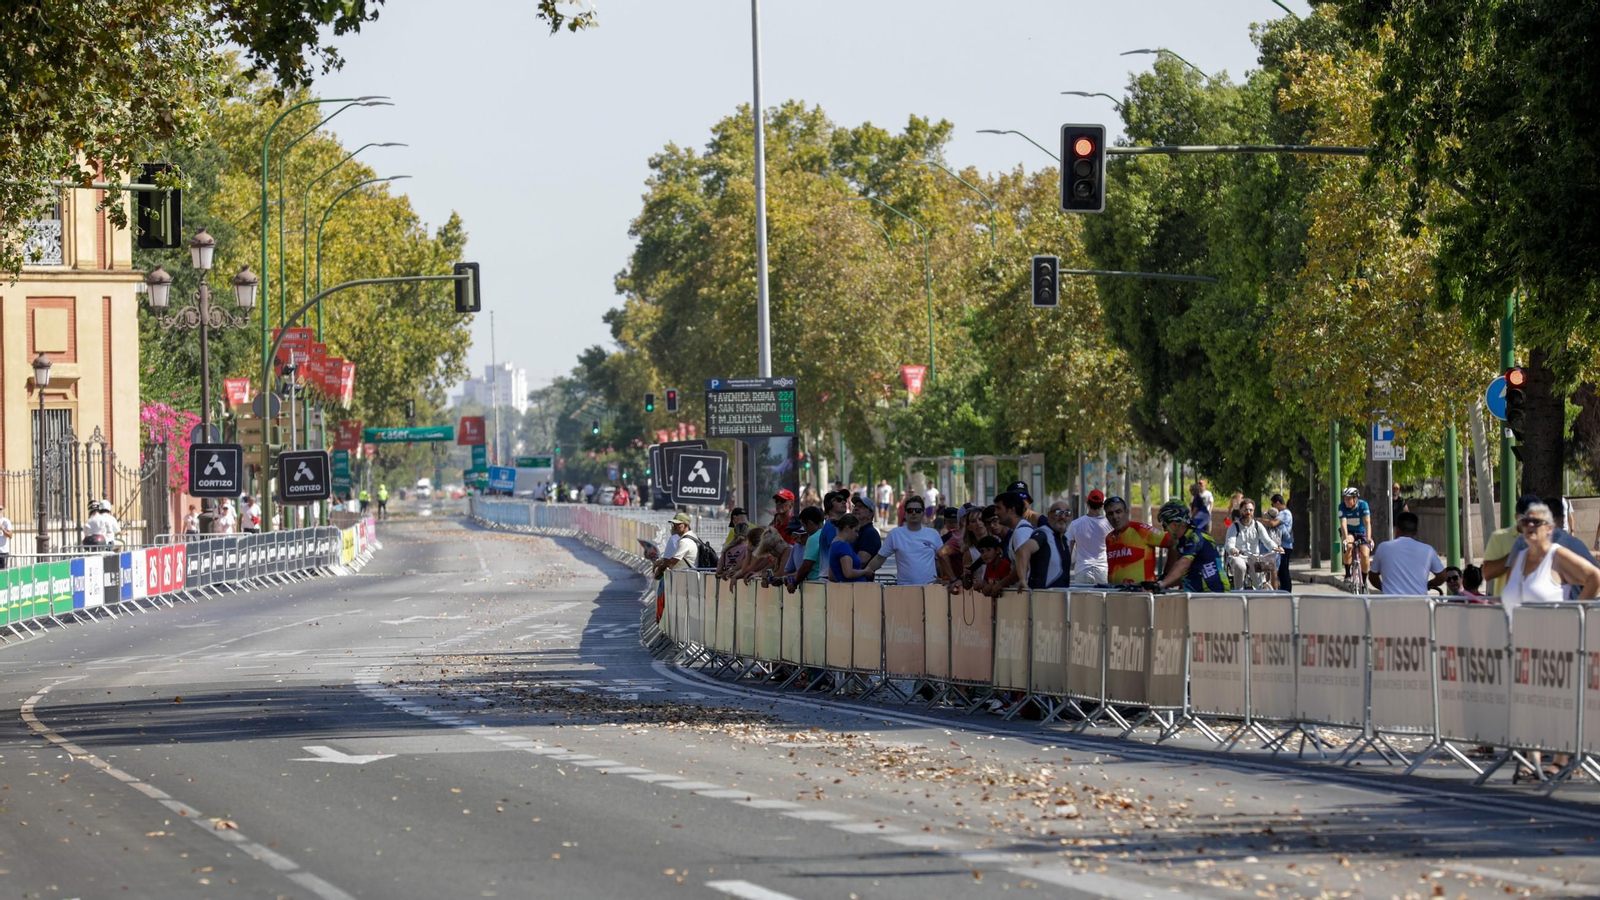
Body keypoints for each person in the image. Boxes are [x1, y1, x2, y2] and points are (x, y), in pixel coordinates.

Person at [1485, 495, 1599, 600]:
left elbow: (1595, 578)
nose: (1530, 525)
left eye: (1536, 522)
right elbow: (1509, 597)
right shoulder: (1518, 557)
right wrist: (1490, 604)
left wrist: (1576, 609)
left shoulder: (1559, 554)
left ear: (1550, 527)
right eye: (1526, 521)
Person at [862, 494, 944, 585]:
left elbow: (942, 560)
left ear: (923, 513)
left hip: (930, 588)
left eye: (918, 510)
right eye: (910, 510)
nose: (914, 513)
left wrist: (944, 578)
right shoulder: (895, 534)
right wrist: (864, 572)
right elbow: (879, 559)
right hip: (904, 589)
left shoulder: (933, 534)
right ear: (904, 514)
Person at [1154, 500, 1229, 592]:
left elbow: (1183, 564)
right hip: (1199, 593)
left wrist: (1160, 585)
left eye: (1164, 525)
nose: (1165, 530)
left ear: (1175, 524)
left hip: (1214, 592)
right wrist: (1156, 583)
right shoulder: (1183, 541)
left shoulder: (1196, 537)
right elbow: (1178, 576)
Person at [1368, 512, 1446, 596]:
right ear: (1415, 532)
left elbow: (1372, 577)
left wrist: (1385, 588)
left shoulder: (1383, 547)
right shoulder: (1428, 550)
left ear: (1397, 529)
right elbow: (1442, 577)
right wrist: (1428, 585)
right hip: (1419, 601)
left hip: (1390, 601)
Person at [1105, 496, 1171, 584]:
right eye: (1110, 513)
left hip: (1143, 590)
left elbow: (1174, 543)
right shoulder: (1109, 538)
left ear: (1126, 512)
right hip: (1116, 590)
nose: (1115, 517)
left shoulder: (1140, 529)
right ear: (1106, 517)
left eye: (1118, 512)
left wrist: (1167, 574)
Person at [989, 491, 1039, 593]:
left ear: (1011, 510)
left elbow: (1024, 565)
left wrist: (999, 585)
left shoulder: (1021, 532)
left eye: (999, 508)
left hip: (1027, 593)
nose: (995, 513)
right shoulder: (1019, 531)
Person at [1225, 499, 1280, 589]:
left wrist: (1275, 548)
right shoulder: (1234, 527)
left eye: (1251, 510)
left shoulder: (1258, 526)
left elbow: (1267, 540)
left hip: (1254, 557)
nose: (1248, 512)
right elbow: (1229, 542)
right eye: (1245, 510)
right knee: (1240, 566)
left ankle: (1261, 591)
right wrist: (1232, 549)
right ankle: (1239, 592)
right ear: (1241, 511)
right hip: (1238, 556)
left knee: (1260, 576)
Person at [1066, 489, 1112, 583]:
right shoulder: (1109, 525)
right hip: (1103, 570)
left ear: (1087, 503)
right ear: (1101, 505)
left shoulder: (1075, 524)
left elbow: (1068, 550)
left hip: (1082, 569)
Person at [787, 506, 834, 590]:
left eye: (804, 526)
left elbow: (806, 567)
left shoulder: (813, 538)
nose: (805, 530)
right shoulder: (829, 533)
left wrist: (794, 583)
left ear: (809, 523)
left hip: (816, 584)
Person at [1338, 488, 1373, 581]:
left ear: (1355, 499)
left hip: (1361, 532)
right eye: (1345, 498)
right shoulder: (1342, 506)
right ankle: (1348, 574)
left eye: (1348, 499)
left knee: (1365, 555)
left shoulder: (1363, 505)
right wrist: (1345, 538)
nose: (1346, 501)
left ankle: (1364, 581)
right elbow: (1343, 523)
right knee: (1348, 546)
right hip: (1349, 532)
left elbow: (1367, 523)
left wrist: (1369, 538)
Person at [651, 512, 700, 577]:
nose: (674, 527)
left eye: (678, 524)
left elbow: (672, 563)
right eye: (673, 524)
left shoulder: (685, 542)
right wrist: (662, 561)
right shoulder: (693, 536)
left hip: (686, 578)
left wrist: (659, 570)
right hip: (688, 577)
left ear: (686, 525)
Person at [1261, 494, 1294, 591]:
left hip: (1283, 547)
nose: (1273, 507)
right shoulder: (1284, 515)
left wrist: (1259, 520)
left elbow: (1272, 523)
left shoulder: (1284, 513)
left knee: (1281, 572)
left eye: (1273, 504)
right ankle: (1278, 591)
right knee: (1276, 572)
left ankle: (1286, 591)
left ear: (1278, 503)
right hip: (1278, 548)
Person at [828, 514, 871, 582]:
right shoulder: (843, 546)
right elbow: (848, 573)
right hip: (854, 586)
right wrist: (865, 571)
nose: (857, 535)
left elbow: (831, 576)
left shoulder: (834, 544)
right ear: (847, 528)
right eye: (856, 531)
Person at [1042, 499, 1074, 588]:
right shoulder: (1043, 533)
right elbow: (1024, 550)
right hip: (1043, 593)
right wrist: (1022, 579)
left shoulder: (1064, 539)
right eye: (1058, 512)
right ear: (1049, 514)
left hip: (1061, 593)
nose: (1063, 516)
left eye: (1067, 513)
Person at [850, 495, 882, 562]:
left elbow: (861, 561)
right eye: (855, 506)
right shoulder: (856, 531)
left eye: (861, 506)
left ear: (870, 514)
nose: (856, 508)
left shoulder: (869, 533)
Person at [0, 503, 11, 569]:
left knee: (2, 572)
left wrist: (2, 528)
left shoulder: (6, 521)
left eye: (0, 509)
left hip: (3, 551)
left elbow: (10, 535)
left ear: (3, 510)